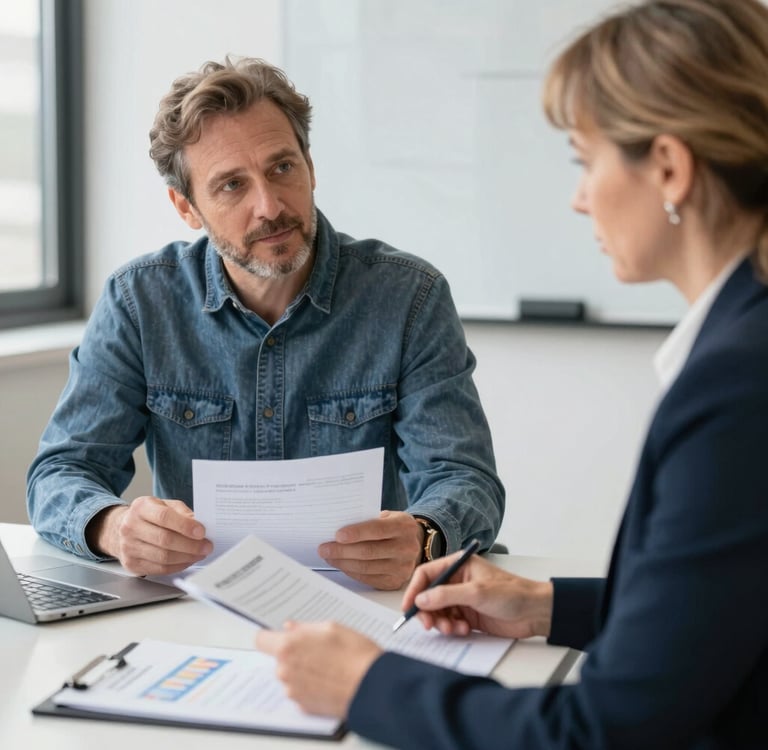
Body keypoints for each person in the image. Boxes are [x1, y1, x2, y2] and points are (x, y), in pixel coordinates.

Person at [255, 0, 768, 746]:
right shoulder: (744, 346)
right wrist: (544, 605)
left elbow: (601, 732)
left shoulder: (735, 389)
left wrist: (366, 686)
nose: (578, 195)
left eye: (585, 160)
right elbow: (721, 608)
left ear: (668, 167)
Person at [26, 57, 505, 590]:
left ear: (311, 167)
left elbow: (465, 479)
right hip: (197, 612)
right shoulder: (139, 302)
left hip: (367, 608)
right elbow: (60, 473)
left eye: (282, 168)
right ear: (186, 207)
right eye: (231, 185)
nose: (269, 206)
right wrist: (114, 529)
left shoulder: (409, 297)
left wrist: (425, 535)